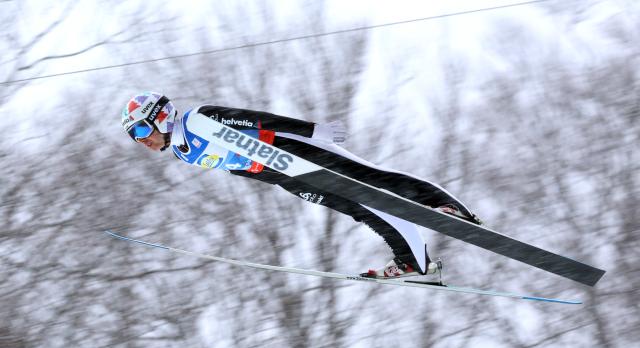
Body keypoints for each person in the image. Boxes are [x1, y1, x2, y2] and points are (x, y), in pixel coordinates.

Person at [121, 91, 481, 278]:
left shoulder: (197, 119)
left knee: (369, 178)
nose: (141, 140)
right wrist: (276, 180)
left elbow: (255, 119)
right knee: (357, 206)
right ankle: (413, 264)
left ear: (160, 116)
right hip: (279, 171)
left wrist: (312, 131)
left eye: (140, 129)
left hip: (289, 147)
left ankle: (448, 208)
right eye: (134, 137)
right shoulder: (183, 153)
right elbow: (236, 167)